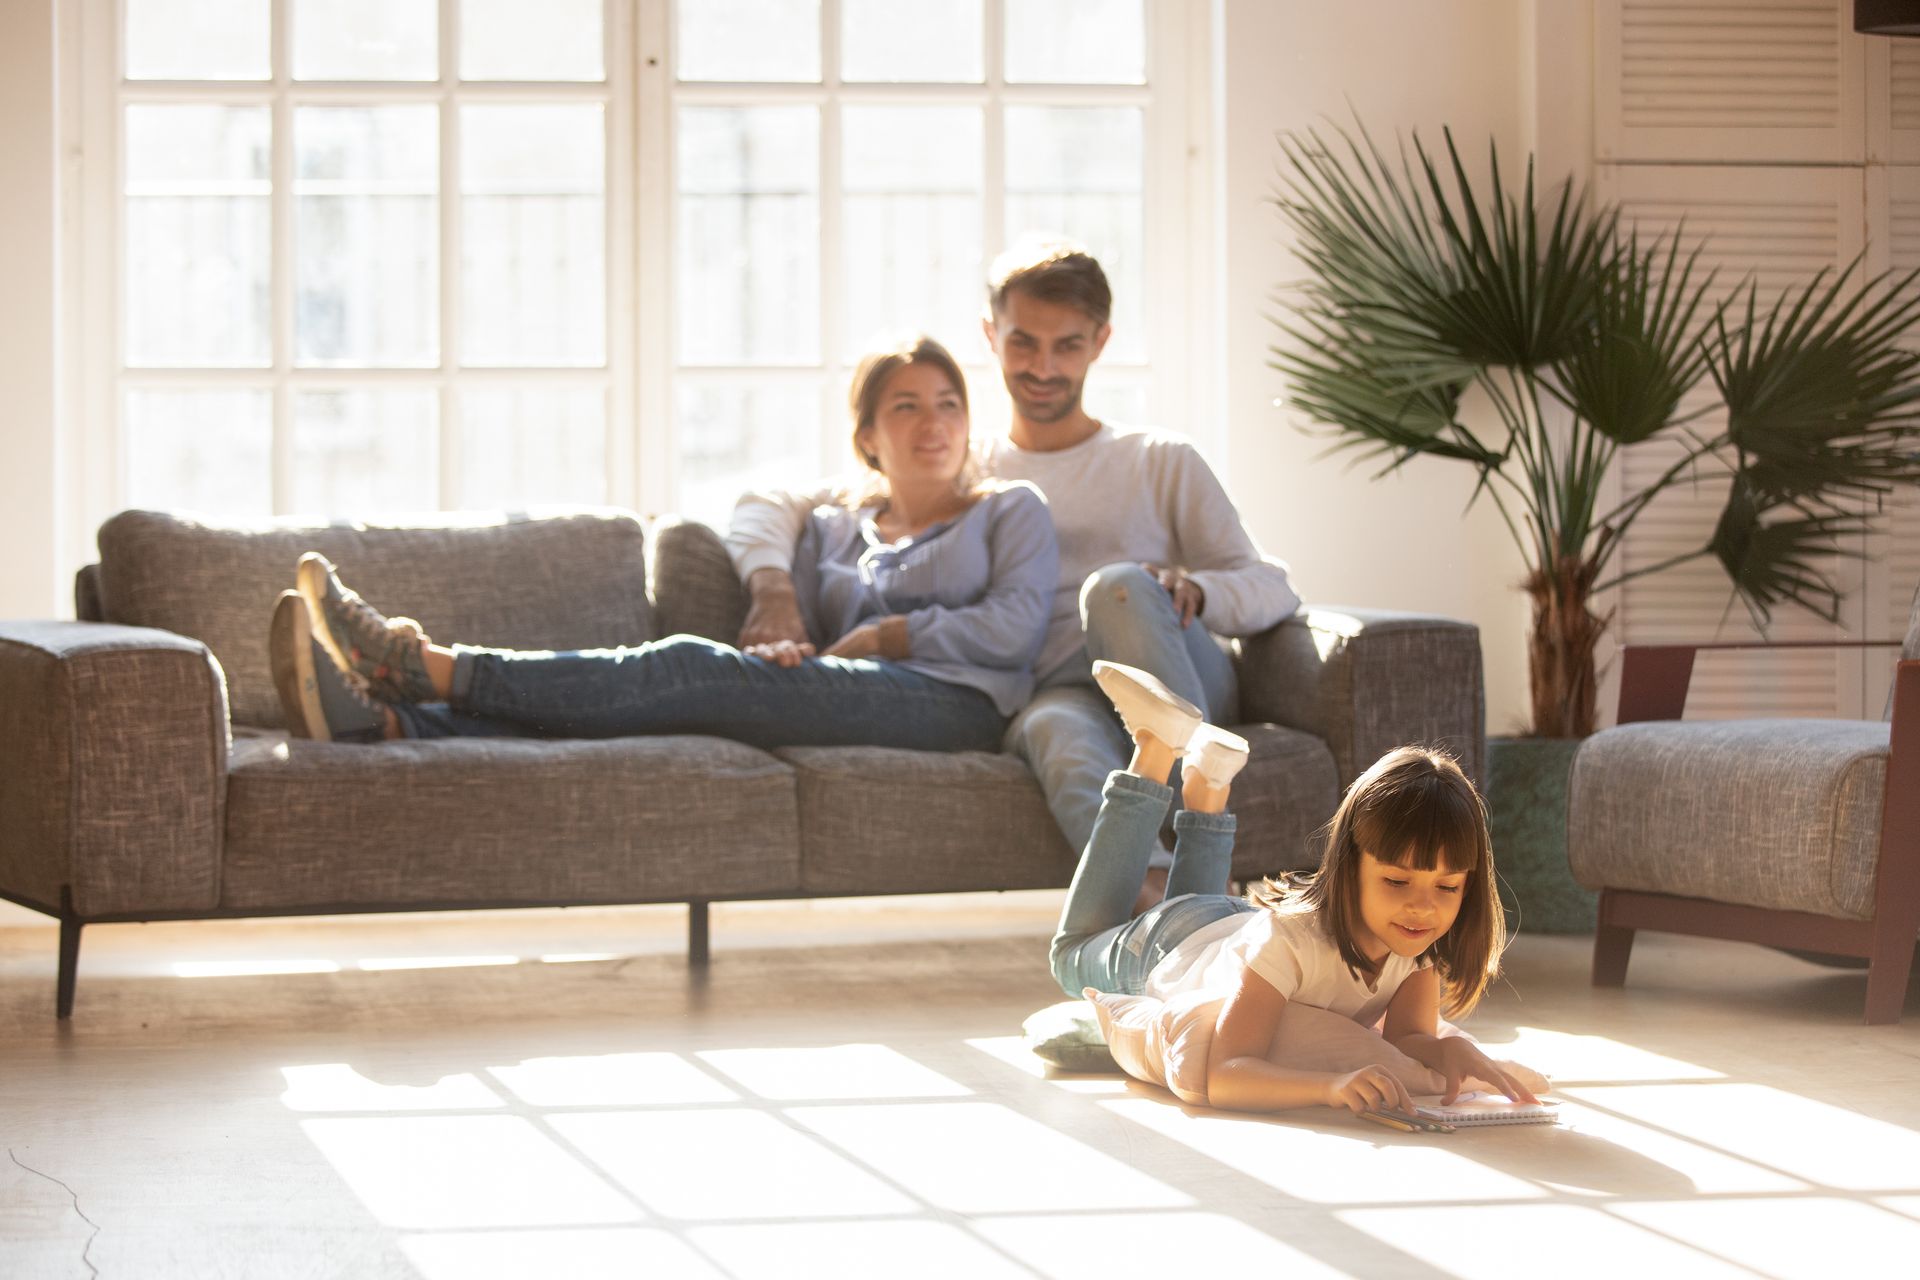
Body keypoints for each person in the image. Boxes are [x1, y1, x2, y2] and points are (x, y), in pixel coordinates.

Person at [728, 242, 1300, 907]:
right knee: (1050, 729)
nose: (1043, 367)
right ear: (990, 336)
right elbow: (775, 501)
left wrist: (1197, 589)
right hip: (1066, 691)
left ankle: (1207, 840)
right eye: (1024, 343)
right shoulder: (967, 466)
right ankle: (1173, 911)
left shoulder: (1158, 461)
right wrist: (773, 589)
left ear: (1101, 343)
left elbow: (1272, 586)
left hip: (1174, 671)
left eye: (1068, 346)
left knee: (1114, 587)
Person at [268, 334, 1059, 753]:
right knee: (665, 704)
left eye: (950, 404)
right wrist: (786, 629)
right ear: (867, 436)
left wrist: (892, 633)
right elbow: (772, 534)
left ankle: (423, 669)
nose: (935, 424)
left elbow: (1014, 629)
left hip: (957, 704)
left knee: (688, 665)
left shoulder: (1009, 510)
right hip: (851, 691)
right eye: (909, 407)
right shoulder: (830, 529)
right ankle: (393, 726)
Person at [1054, 660, 1544, 1115]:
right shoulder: (1292, 942)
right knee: (1069, 956)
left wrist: (1445, 1046)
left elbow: (1407, 1037)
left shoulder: (1415, 940)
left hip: (1224, 925)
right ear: (1349, 865)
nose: (1423, 906)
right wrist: (1328, 1087)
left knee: (1200, 917)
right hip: (1165, 946)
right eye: (1397, 880)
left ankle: (1208, 783)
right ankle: (1155, 749)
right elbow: (1226, 1075)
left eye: (1448, 887)